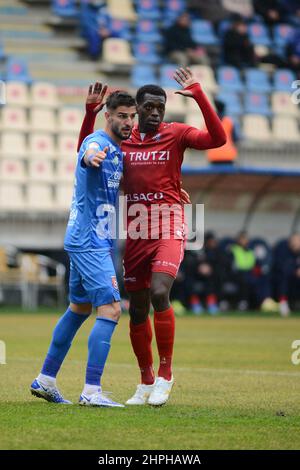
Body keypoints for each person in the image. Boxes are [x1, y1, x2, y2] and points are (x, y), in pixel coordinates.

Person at [77, 68, 226, 406]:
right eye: (149, 107)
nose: (156, 113)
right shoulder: (122, 139)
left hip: (169, 221)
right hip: (136, 227)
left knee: (161, 291)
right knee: (138, 309)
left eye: (160, 107)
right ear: (137, 108)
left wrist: (200, 95)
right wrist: (90, 114)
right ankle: (144, 381)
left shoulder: (175, 134)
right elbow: (83, 150)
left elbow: (217, 140)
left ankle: (165, 375)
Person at [30, 90, 136, 407]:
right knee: (112, 310)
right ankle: (91, 391)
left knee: (79, 309)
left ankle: (46, 380)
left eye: (132, 116)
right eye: (122, 116)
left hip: (91, 238)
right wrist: (91, 155)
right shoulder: (99, 144)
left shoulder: (119, 149)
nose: (128, 122)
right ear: (109, 116)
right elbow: (88, 150)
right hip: (90, 241)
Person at [207, 100, 239, 164]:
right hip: (228, 155)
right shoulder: (229, 121)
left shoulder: (209, 122)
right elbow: (235, 138)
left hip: (214, 155)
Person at [278, 233, 300, 317]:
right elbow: (284, 268)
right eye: (293, 241)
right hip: (290, 278)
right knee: (283, 279)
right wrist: (295, 271)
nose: (295, 243)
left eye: (297, 241)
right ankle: (283, 304)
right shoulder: (285, 252)